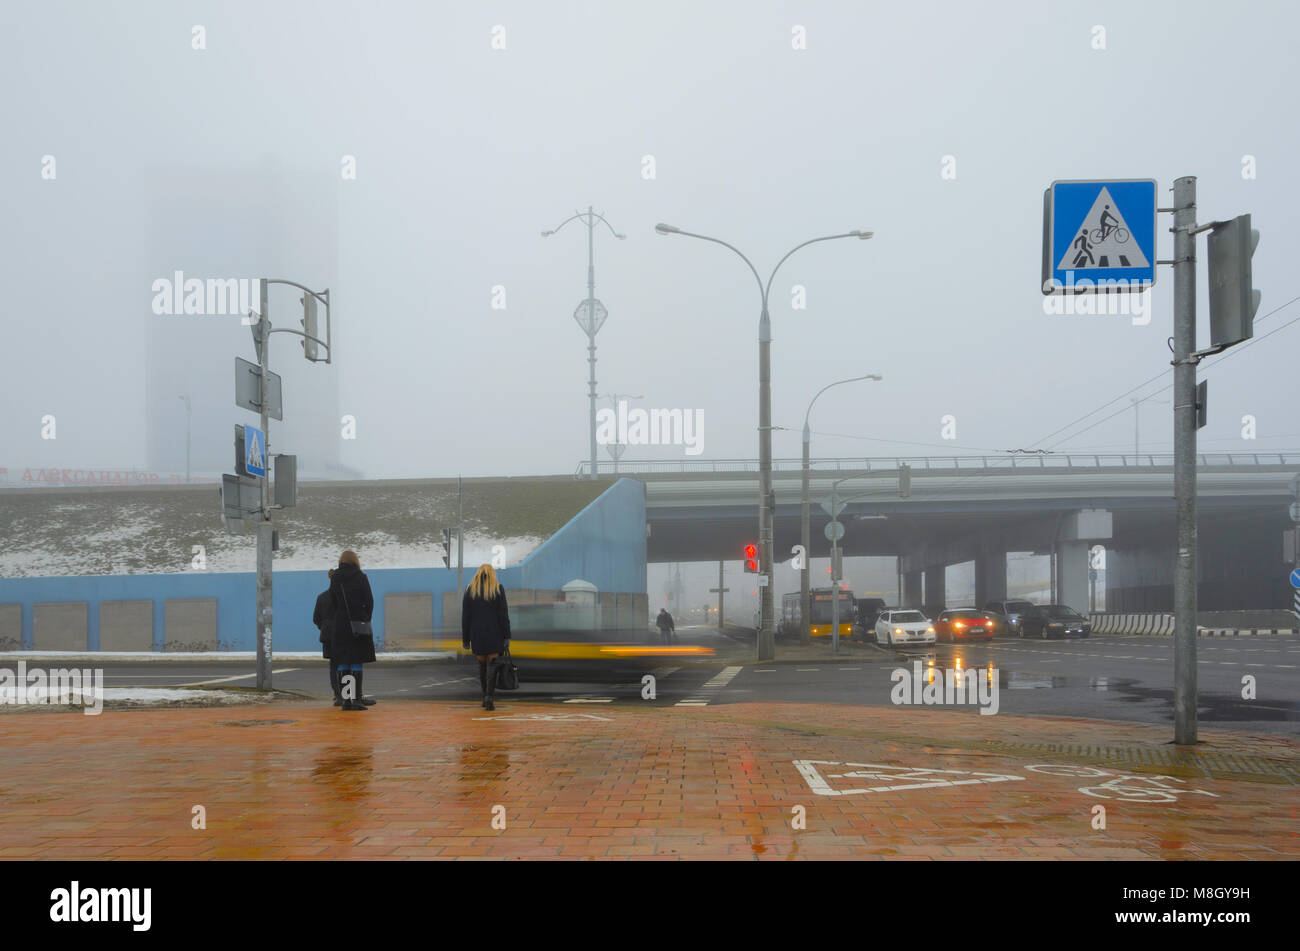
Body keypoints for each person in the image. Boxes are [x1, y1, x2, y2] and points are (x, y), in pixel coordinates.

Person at [330, 550, 376, 711]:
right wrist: (365, 617)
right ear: (355, 561)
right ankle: (356, 699)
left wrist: (340, 616)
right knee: (356, 660)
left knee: (343, 662)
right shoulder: (361, 577)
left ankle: (346, 700)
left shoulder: (335, 578)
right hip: (358, 622)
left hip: (341, 623)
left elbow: (333, 600)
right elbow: (369, 601)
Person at [461, 564, 511, 711]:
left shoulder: (470, 590)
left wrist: (465, 639)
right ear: (492, 574)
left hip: (476, 633)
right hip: (494, 632)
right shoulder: (497, 589)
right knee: (492, 665)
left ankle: (484, 697)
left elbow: (466, 617)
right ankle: (490, 697)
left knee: (482, 666)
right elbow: (503, 615)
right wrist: (506, 636)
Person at [313, 568, 341, 706]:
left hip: (328, 634)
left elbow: (316, 618)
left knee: (333, 665)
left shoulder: (322, 597)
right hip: (343, 634)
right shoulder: (343, 597)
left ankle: (337, 694)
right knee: (345, 664)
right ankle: (347, 693)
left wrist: (324, 627)